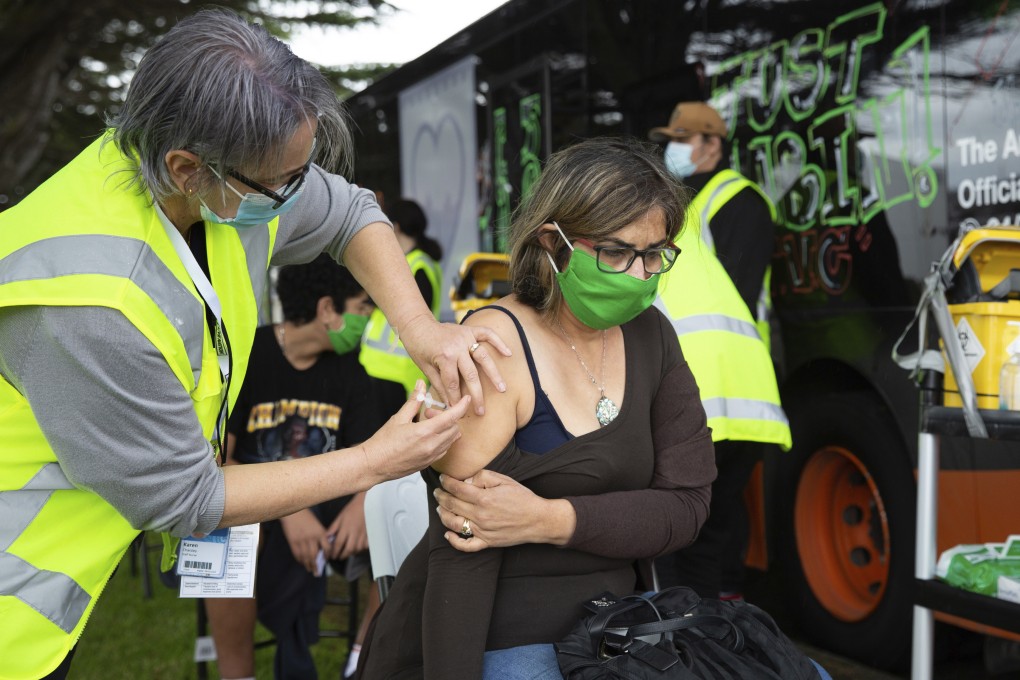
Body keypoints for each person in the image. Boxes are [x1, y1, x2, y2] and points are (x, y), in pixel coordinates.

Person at [0, 10, 511, 680]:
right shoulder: (92, 305)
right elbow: (184, 498)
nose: (300, 195)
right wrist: (373, 463)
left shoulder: (210, 177)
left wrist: (422, 330)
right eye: (282, 182)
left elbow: (352, 212)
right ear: (186, 168)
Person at [358, 136, 718, 679]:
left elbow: (686, 508)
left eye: (655, 254)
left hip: (618, 632)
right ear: (553, 242)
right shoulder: (493, 346)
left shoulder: (653, 335)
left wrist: (547, 519)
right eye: (618, 253)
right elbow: (463, 554)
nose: (641, 276)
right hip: (505, 641)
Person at [203, 255, 382, 680]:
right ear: (326, 309)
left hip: (331, 515)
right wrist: (284, 507)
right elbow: (217, 462)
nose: (368, 321)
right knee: (226, 532)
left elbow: (377, 457)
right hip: (256, 510)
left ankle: (361, 661)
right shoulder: (248, 356)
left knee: (403, 526)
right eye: (361, 308)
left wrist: (362, 502)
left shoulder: (353, 373)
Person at [647, 101, 792, 600]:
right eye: (672, 139)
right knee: (710, 520)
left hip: (721, 375)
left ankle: (707, 631)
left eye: (684, 139)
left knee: (701, 523)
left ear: (713, 144)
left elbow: (737, 293)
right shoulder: (682, 203)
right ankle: (719, 626)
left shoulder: (738, 199)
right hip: (729, 381)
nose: (674, 149)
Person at [360, 198, 444, 412]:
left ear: (394, 226)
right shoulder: (411, 261)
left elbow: (415, 315)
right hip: (382, 371)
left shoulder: (417, 264)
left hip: (396, 374)